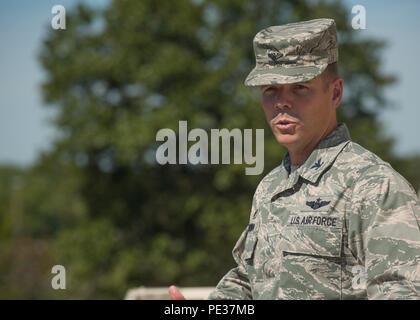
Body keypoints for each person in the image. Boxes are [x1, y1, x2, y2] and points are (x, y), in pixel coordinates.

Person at [169, 18, 420, 300]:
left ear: (335, 93)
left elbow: (403, 292)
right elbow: (248, 280)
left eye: (300, 88)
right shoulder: (271, 187)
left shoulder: (374, 187)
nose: (281, 103)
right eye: (270, 90)